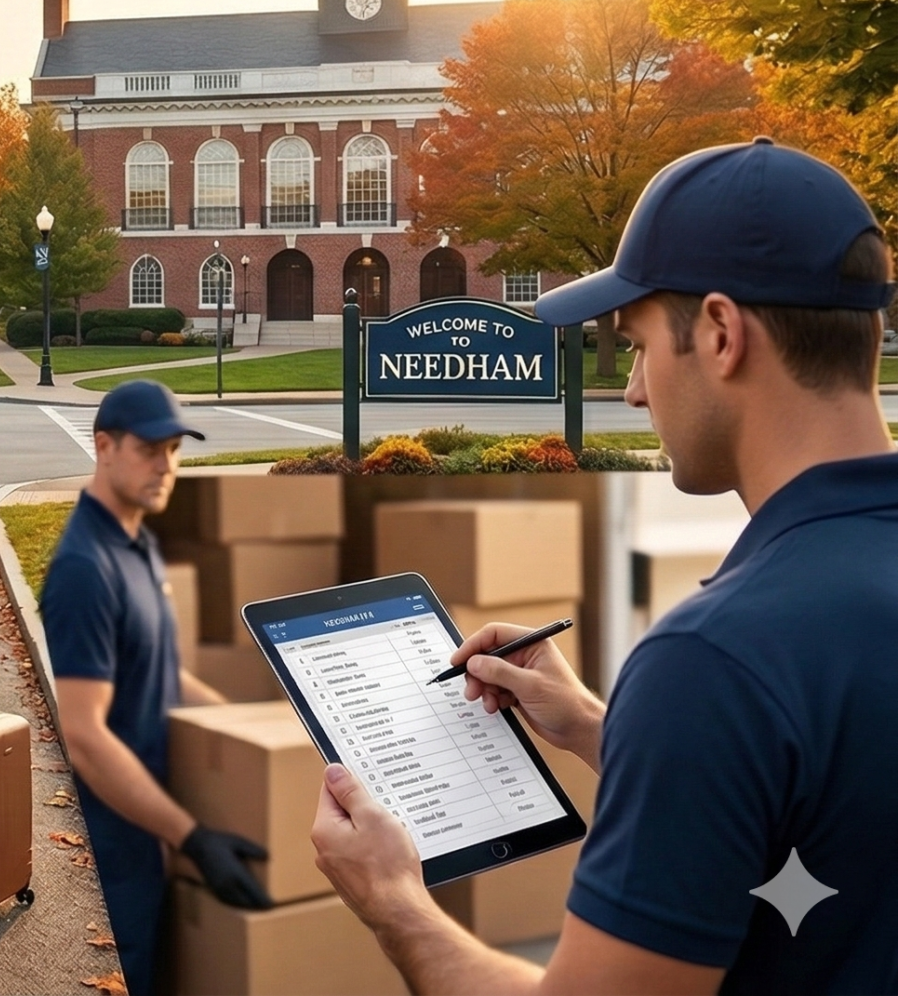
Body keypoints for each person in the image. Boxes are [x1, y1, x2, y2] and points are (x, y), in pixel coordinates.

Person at [312, 138, 898, 994]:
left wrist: (393, 898)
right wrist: (598, 725)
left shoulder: (717, 661)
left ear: (722, 334)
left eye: (638, 345)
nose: (632, 390)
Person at [42, 379, 274, 996]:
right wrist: (190, 836)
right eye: (149, 450)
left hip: (164, 821)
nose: (165, 466)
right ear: (104, 446)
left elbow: (163, 673)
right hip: (125, 843)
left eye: (173, 450)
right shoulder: (84, 569)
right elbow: (86, 736)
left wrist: (259, 737)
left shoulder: (136, 540)